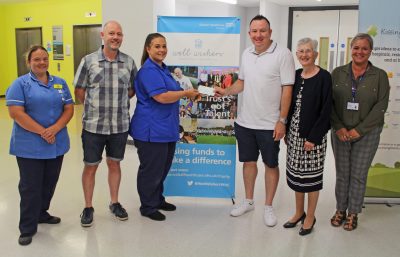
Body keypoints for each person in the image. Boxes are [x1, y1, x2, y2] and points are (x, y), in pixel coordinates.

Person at [214, 15, 295, 227]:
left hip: (269, 124)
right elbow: (241, 82)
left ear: (270, 32)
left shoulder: (283, 54)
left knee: (270, 164)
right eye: (254, 31)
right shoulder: (246, 54)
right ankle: (249, 201)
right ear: (249, 33)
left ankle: (268, 206)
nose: (258, 35)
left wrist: (282, 121)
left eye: (263, 31)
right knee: (248, 163)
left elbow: (288, 89)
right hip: (245, 122)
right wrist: (226, 92)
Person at [6, 45, 74, 245]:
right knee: (30, 187)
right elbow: (16, 113)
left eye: (45, 58)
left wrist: (55, 129)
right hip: (30, 146)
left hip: (56, 143)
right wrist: (43, 131)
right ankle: (27, 227)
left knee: (49, 183)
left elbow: (69, 108)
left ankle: (42, 213)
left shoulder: (59, 83)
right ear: (29, 62)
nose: (41, 62)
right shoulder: (20, 84)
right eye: (36, 59)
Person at [73, 20, 137, 227]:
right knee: (90, 166)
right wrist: (94, 109)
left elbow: (131, 90)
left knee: (114, 163)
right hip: (94, 127)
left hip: (119, 126)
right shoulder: (88, 60)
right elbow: (79, 90)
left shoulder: (128, 62)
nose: (115, 37)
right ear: (103, 35)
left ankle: (115, 202)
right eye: (111, 33)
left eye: (119, 34)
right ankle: (88, 206)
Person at [129, 33, 198, 221]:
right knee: (151, 170)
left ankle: (157, 199)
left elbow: (172, 93)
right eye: (157, 46)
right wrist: (186, 93)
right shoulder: (148, 71)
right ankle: (148, 206)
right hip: (151, 131)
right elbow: (161, 97)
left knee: (162, 169)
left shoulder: (163, 69)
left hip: (166, 129)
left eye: (164, 46)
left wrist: (189, 93)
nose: (161, 50)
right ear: (148, 49)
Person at [330, 33, 390, 231]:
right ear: (351, 49)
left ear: (370, 51)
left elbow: (381, 106)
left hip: (368, 133)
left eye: (364, 48)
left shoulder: (379, 75)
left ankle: (353, 212)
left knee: (358, 174)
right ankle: (340, 209)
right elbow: (328, 104)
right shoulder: (337, 73)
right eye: (356, 47)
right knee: (342, 174)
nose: (360, 52)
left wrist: (359, 130)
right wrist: (338, 127)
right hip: (340, 132)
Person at [283, 38, 332, 236]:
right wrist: (286, 130)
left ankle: (310, 216)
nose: (304, 55)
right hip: (294, 135)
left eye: (308, 51)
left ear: (316, 54)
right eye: (300, 51)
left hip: (314, 138)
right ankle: (298, 212)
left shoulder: (324, 77)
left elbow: (326, 110)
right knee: (297, 176)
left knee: (311, 179)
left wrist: (313, 137)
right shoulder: (296, 75)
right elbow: (290, 106)